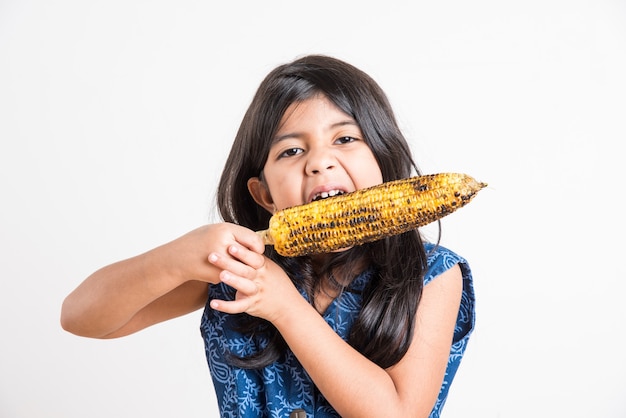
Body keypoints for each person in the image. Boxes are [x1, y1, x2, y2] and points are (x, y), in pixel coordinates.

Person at [61, 54, 475, 418]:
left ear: (383, 161)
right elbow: (82, 317)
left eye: (345, 139)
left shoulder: (433, 275)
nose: (319, 163)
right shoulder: (239, 268)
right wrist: (177, 257)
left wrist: (286, 308)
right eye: (291, 151)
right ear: (265, 195)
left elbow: (396, 414)